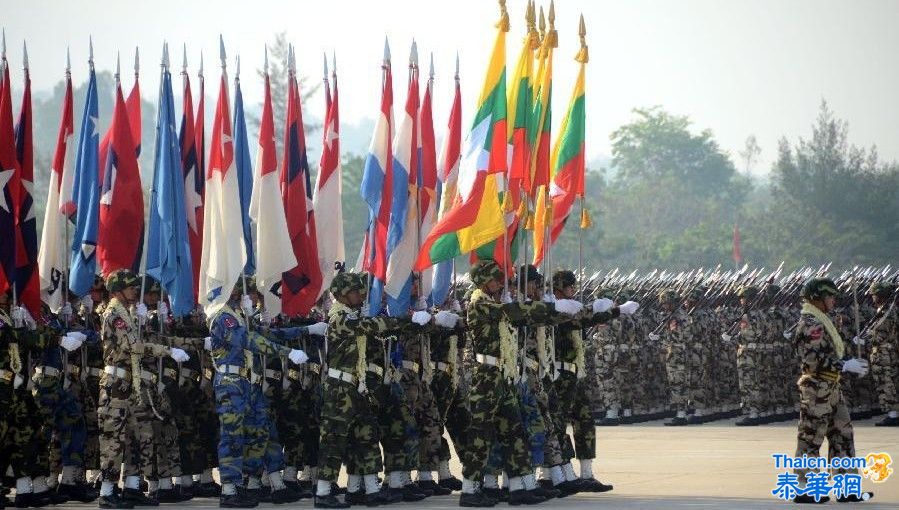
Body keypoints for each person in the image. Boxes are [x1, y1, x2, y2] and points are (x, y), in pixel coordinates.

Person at [790, 278, 873, 504]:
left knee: (842, 435)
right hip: (816, 388)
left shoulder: (822, 320)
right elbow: (812, 358)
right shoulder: (811, 323)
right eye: (829, 296)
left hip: (831, 386)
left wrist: (849, 362)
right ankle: (807, 488)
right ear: (817, 298)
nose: (833, 300)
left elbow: (830, 354)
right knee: (810, 438)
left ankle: (847, 487)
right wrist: (845, 365)